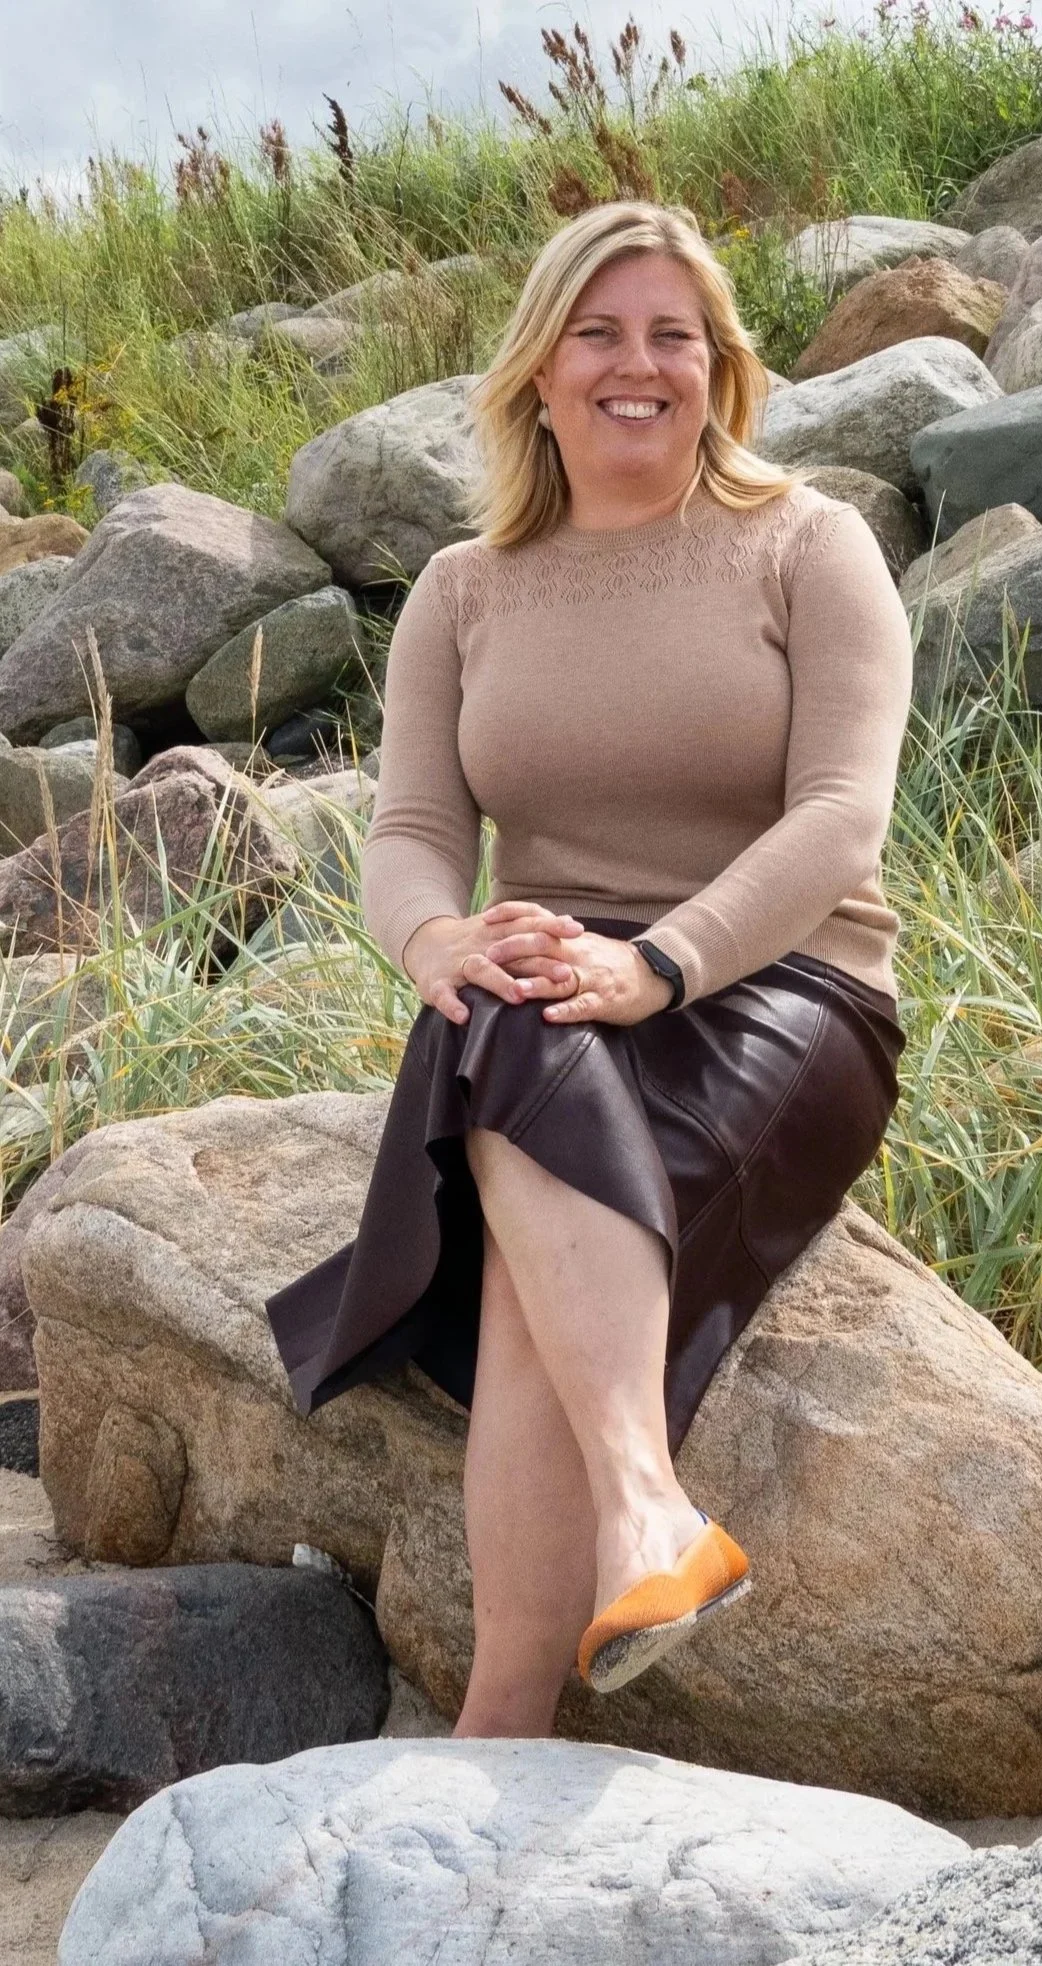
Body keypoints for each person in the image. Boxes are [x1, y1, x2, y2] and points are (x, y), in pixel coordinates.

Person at [264, 199, 913, 1736]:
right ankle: (624, 1559)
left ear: (720, 372)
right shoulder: (464, 590)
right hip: (550, 1002)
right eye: (599, 333)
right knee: (498, 1014)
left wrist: (663, 964)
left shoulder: (807, 548)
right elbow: (414, 830)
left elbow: (839, 819)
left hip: (781, 990)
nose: (639, 365)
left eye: (672, 335)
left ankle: (522, 1680)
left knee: (516, 1079)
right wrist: (437, 934)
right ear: (537, 376)